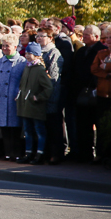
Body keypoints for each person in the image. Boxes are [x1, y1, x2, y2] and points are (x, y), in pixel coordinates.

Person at [0, 33, 27, 162]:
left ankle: (17, 153)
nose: (5, 48)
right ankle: (7, 152)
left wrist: (19, 94)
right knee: (4, 128)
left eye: (8, 46)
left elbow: (24, 80)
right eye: (3, 46)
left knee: (15, 128)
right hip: (0, 99)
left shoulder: (22, 62)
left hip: (13, 99)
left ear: (15, 46)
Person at [71, 24, 105, 162]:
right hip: (81, 92)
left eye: (87, 34)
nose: (83, 36)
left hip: (97, 92)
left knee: (98, 124)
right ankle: (84, 154)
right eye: (83, 34)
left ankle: (100, 155)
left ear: (96, 37)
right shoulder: (81, 51)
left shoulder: (101, 50)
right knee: (83, 125)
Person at [17, 42, 53, 164]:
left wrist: (38, 97)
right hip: (26, 106)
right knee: (27, 131)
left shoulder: (39, 69)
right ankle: (29, 153)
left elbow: (48, 87)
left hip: (36, 107)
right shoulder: (27, 67)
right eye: (26, 52)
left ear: (37, 55)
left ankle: (40, 154)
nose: (27, 55)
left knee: (39, 130)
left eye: (30, 53)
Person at [35, 27, 65, 164]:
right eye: (37, 36)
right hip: (39, 96)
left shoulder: (53, 52)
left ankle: (55, 155)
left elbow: (54, 76)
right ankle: (44, 154)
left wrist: (47, 94)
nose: (39, 38)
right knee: (43, 127)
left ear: (50, 38)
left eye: (42, 36)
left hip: (51, 95)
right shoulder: (36, 52)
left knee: (53, 127)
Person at [90, 25, 111, 166]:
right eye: (106, 37)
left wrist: (106, 67)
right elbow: (94, 68)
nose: (108, 40)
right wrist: (108, 74)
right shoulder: (102, 53)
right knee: (101, 124)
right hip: (102, 95)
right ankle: (101, 154)